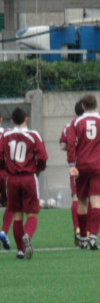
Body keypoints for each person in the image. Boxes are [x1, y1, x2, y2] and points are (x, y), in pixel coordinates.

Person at [66, 93, 100, 250]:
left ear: (82, 106)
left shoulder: (75, 122)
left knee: (82, 201)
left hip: (81, 166)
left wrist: (72, 164)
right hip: (98, 166)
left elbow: (71, 144)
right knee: (96, 201)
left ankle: (83, 237)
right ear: (96, 105)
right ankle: (93, 237)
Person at [0, 108, 47, 259]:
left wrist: (6, 167)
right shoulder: (34, 135)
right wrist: (38, 170)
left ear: (12, 121)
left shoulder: (6, 135)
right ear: (26, 119)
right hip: (29, 177)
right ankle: (27, 235)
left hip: (12, 179)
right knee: (32, 213)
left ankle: (20, 250)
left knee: (17, 215)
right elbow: (43, 157)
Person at [58, 99, 86, 246]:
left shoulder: (69, 126)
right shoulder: (89, 124)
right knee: (90, 199)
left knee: (76, 198)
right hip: (90, 164)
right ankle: (87, 232)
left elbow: (62, 145)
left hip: (74, 166)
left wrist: (72, 149)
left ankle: (77, 229)